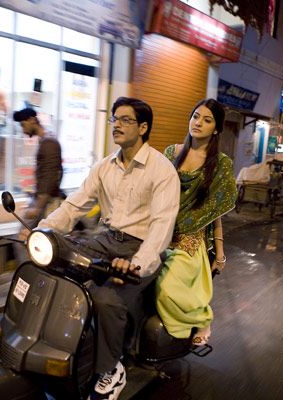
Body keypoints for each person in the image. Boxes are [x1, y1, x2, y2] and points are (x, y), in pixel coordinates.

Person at [37, 97, 180, 400]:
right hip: (106, 239)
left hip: (140, 248)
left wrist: (137, 264)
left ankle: (112, 368)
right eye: (115, 118)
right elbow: (75, 204)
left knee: (105, 299)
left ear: (143, 127)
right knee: (57, 265)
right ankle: (62, 344)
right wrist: (42, 230)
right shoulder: (104, 166)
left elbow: (161, 228)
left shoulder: (162, 170)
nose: (117, 124)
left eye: (125, 120)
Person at [155, 98, 237, 347]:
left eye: (207, 120)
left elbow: (215, 212)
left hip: (188, 241)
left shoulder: (221, 165)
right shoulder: (171, 153)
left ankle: (202, 317)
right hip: (158, 232)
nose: (198, 122)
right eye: (195, 116)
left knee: (166, 288)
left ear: (217, 129)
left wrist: (220, 254)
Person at [13, 108, 64, 258]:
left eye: (23, 125)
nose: (23, 130)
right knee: (36, 242)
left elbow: (51, 176)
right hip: (43, 200)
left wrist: (37, 206)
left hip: (45, 202)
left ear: (32, 120)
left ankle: (26, 277)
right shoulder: (47, 141)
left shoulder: (48, 143)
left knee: (22, 241)